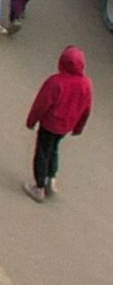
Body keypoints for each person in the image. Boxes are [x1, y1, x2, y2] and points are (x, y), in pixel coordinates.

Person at [28, 45, 90, 200]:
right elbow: (86, 109)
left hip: (49, 124)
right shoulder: (86, 84)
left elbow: (41, 104)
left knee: (42, 152)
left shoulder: (55, 82)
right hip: (66, 126)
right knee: (54, 150)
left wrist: (32, 120)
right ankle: (51, 179)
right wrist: (78, 128)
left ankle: (39, 187)